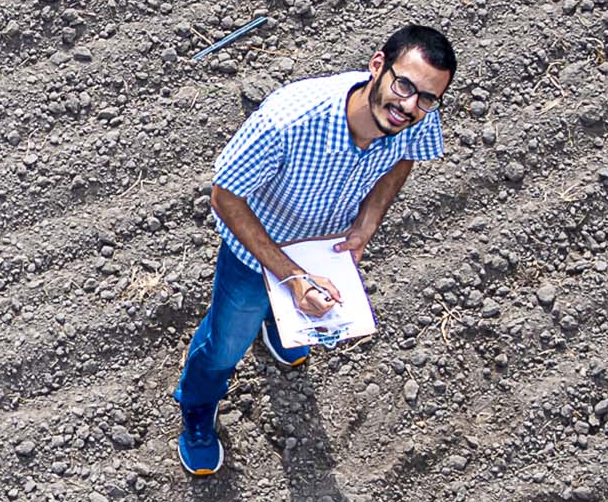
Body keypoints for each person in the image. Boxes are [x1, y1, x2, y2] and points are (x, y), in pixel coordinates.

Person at [172, 25, 456, 476]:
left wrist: (368, 221)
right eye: (404, 85)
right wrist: (292, 276)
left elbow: (406, 158)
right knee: (224, 346)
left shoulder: (416, 117)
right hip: (254, 256)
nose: (409, 106)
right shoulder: (288, 121)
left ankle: (280, 325)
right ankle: (197, 411)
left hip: (324, 250)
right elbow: (225, 197)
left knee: (298, 314)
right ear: (378, 65)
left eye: (426, 98)